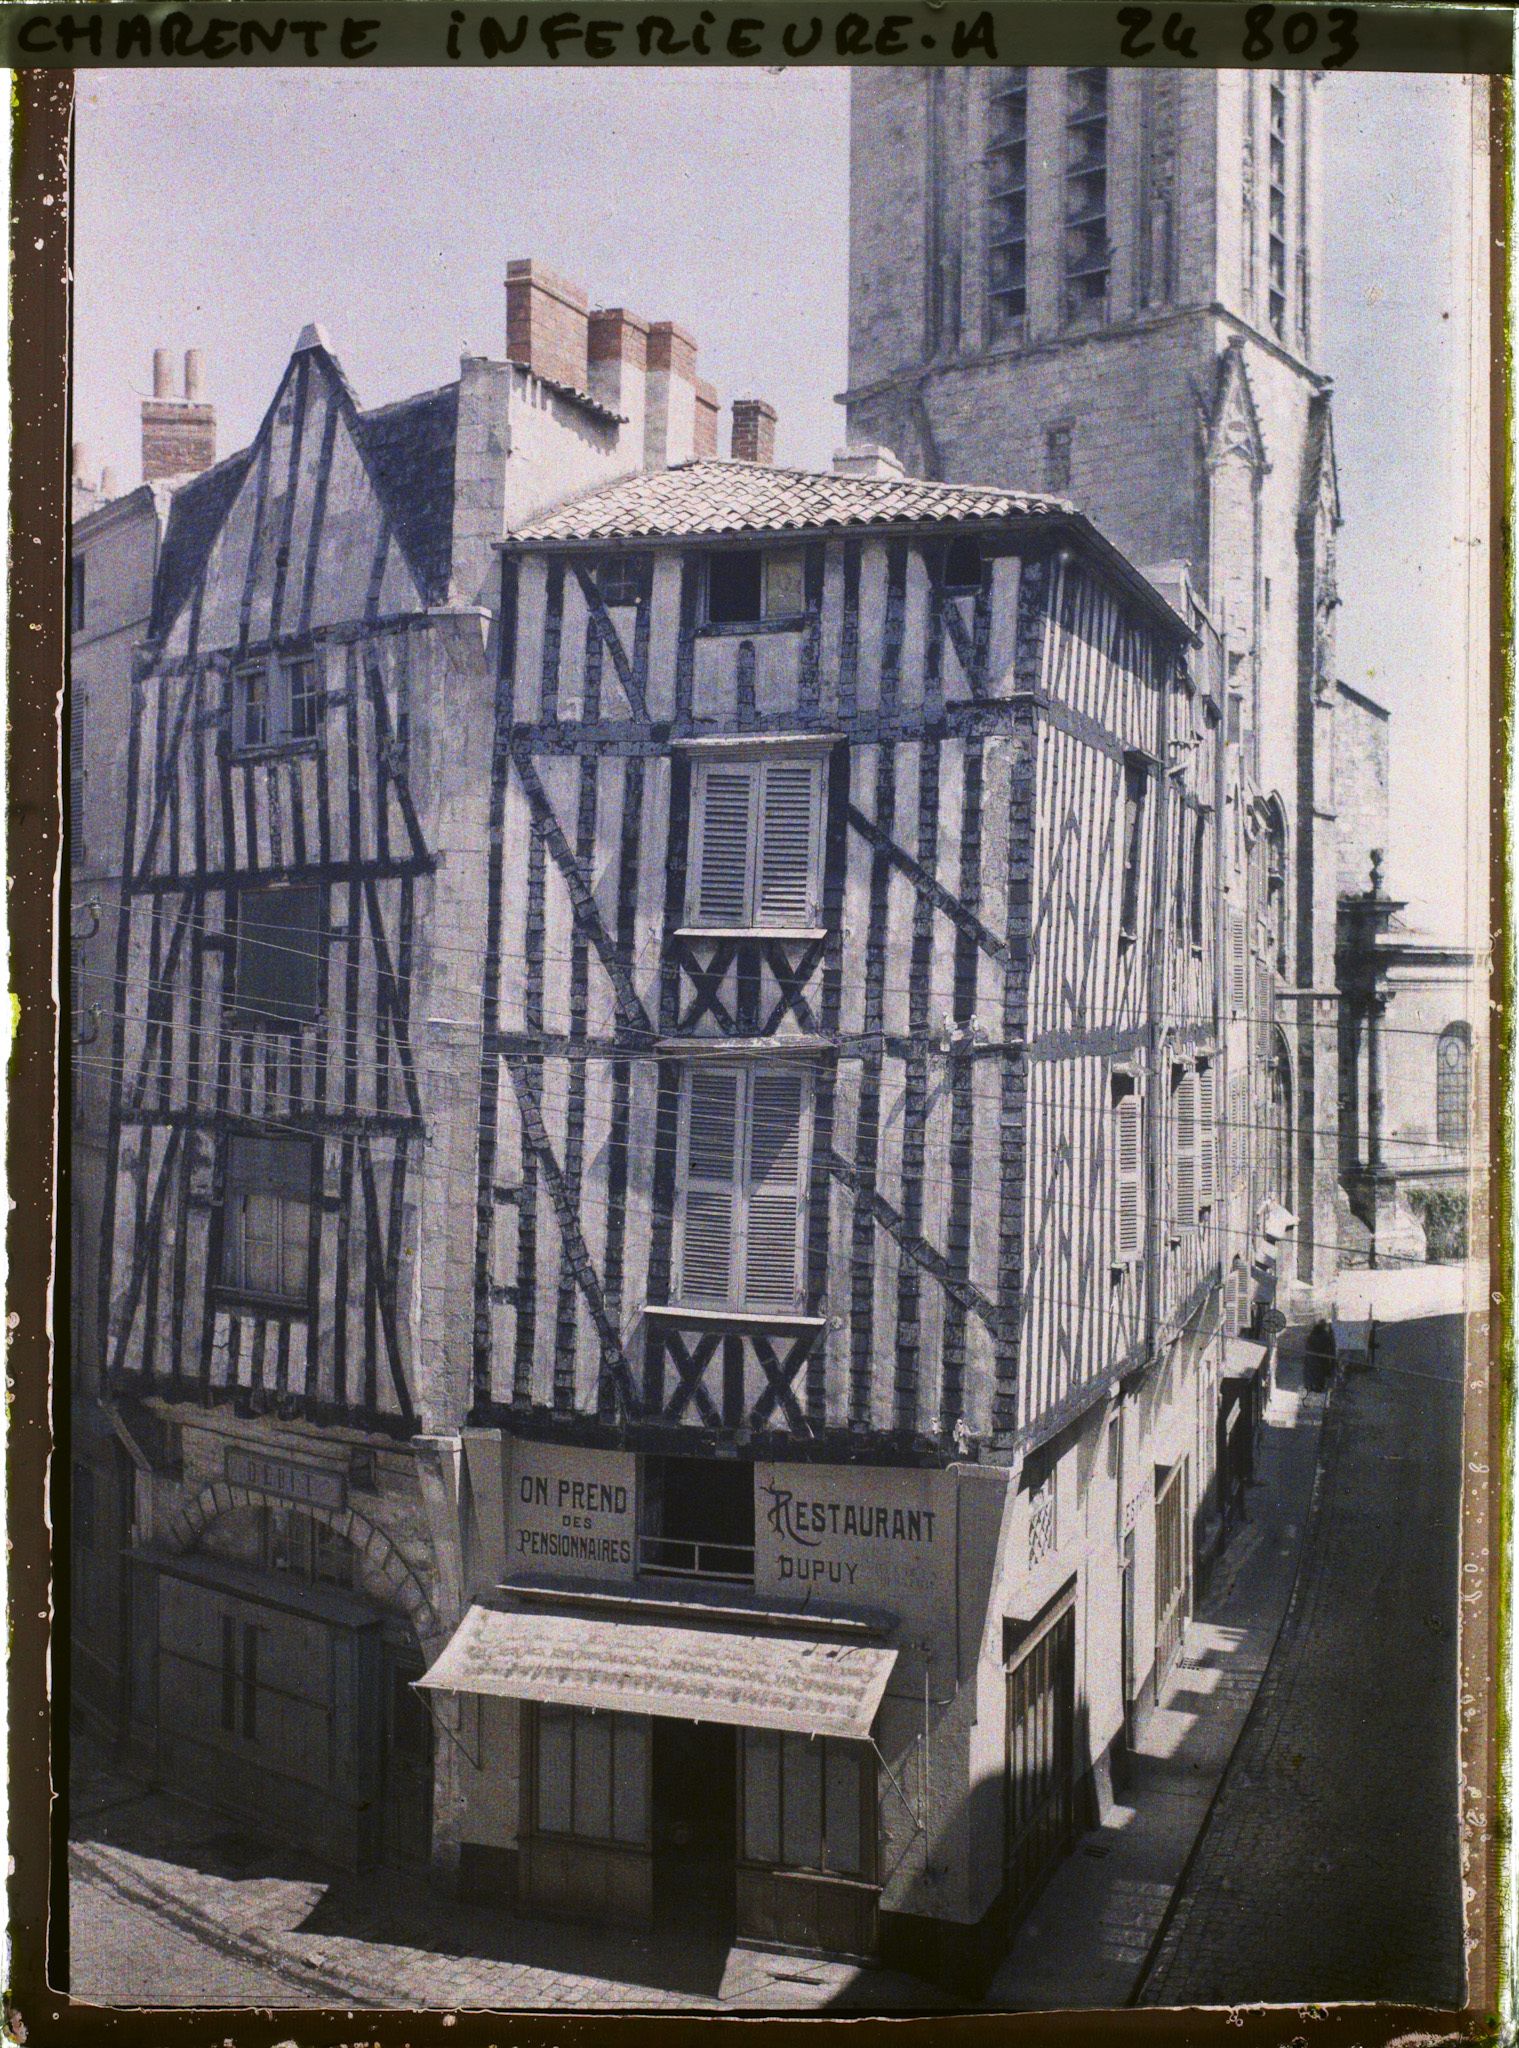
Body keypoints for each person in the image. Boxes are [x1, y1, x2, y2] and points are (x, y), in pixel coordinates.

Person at [1304, 1318, 1337, 1392]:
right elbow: (1331, 1349)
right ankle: (1318, 1389)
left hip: (1312, 1360)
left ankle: (1312, 1388)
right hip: (1322, 1360)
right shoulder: (1326, 1336)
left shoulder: (1311, 1335)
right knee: (1320, 1377)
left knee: (1313, 1375)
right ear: (1324, 1326)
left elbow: (1307, 1347)